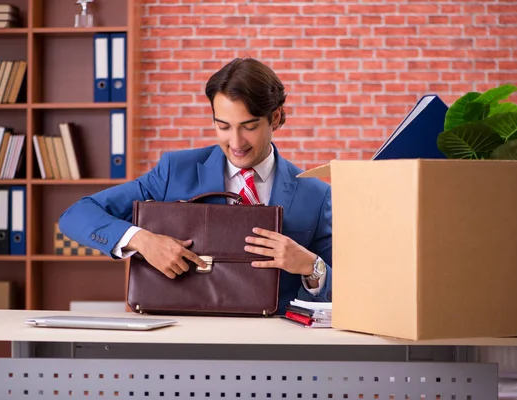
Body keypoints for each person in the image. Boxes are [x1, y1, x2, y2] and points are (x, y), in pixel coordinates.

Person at [58, 57, 332, 313]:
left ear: (274, 118)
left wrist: (311, 267)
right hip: (184, 342)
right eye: (223, 127)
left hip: (275, 348)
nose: (236, 143)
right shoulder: (174, 171)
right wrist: (142, 240)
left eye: (248, 127)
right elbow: (77, 215)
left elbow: (348, 291)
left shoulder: (316, 195)